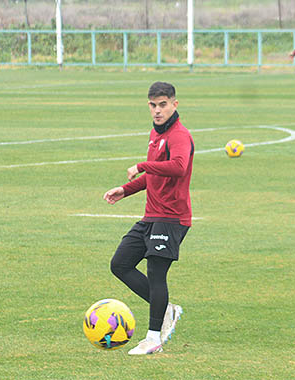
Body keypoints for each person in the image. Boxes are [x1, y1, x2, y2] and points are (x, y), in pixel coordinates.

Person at [103, 81, 193, 355]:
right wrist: (125, 190)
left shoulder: (179, 135)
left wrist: (141, 165)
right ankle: (166, 310)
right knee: (120, 264)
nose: (157, 110)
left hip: (172, 217)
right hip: (151, 216)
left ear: (174, 105)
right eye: (153, 105)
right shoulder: (155, 135)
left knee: (156, 272)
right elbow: (155, 175)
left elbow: (178, 167)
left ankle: (154, 338)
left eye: (163, 105)